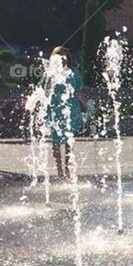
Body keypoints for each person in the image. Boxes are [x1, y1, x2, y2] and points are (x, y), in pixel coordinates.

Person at [45, 47, 86, 181]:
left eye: (65, 55)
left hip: (71, 109)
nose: (62, 57)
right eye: (59, 55)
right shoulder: (50, 73)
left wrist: (86, 105)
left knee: (69, 141)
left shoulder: (74, 72)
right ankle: (59, 169)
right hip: (54, 108)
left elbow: (78, 91)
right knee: (56, 141)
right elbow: (44, 92)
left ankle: (67, 168)